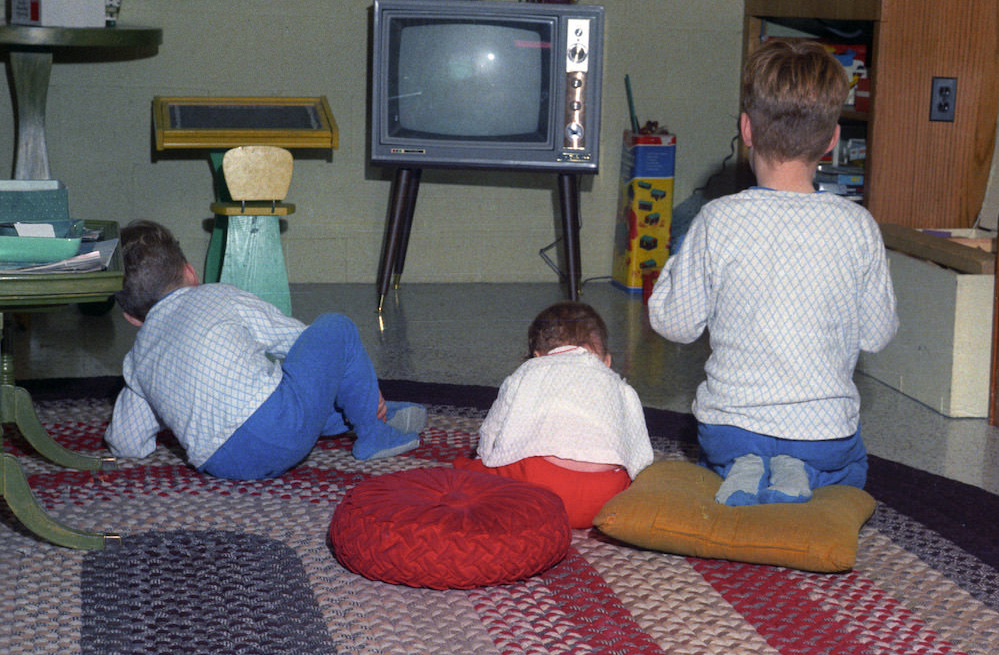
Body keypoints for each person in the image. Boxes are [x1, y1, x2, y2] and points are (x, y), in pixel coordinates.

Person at [647, 37, 898, 506]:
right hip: (823, 435)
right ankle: (798, 473)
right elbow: (877, 335)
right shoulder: (857, 226)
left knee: (725, 448)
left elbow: (674, 325)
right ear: (832, 139)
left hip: (730, 428)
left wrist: (677, 263)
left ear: (746, 130)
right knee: (854, 465)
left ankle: (744, 467)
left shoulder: (717, 219)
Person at [104, 219, 423, 479]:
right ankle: (372, 431)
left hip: (222, 464)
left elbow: (127, 440)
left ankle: (361, 414)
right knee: (334, 328)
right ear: (190, 272)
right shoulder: (217, 295)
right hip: (281, 430)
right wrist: (361, 381)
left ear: (131, 318)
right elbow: (298, 340)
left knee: (284, 392)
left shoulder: (137, 358)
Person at [454, 301, 654, 528]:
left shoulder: (531, 370)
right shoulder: (620, 386)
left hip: (539, 486)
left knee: (486, 467)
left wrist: (482, 460)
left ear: (537, 357)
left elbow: (493, 428)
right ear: (607, 361)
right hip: (603, 500)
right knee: (625, 473)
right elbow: (640, 449)